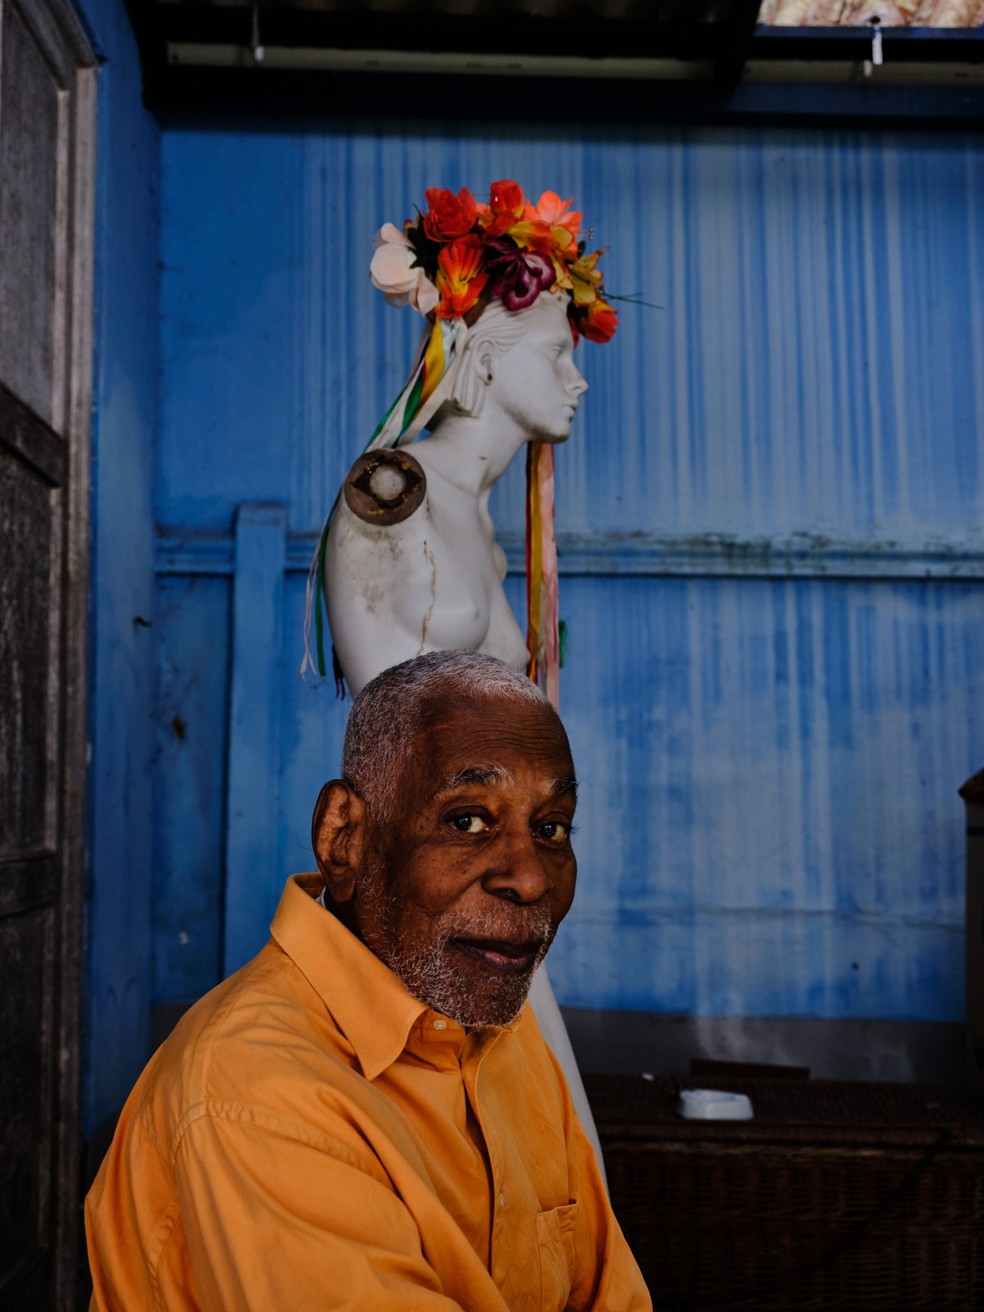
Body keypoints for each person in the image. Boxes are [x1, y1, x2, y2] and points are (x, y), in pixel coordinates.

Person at [85, 651, 652, 1311]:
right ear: (344, 838)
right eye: (467, 821)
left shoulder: (496, 1024)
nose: (528, 879)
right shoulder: (255, 1088)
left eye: (551, 828)